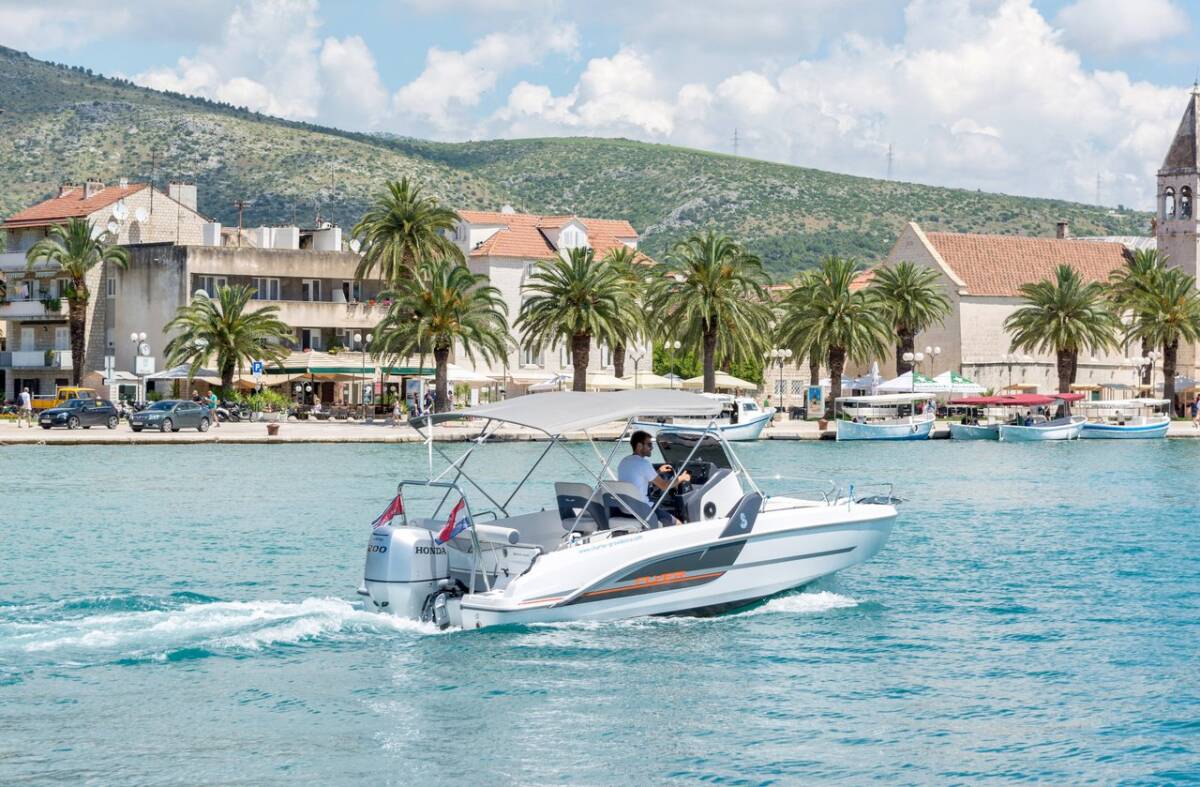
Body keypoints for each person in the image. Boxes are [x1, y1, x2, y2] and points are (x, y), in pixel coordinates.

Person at [616, 430, 691, 527]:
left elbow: (638, 481)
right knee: (678, 524)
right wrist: (682, 478)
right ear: (639, 446)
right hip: (643, 509)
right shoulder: (643, 463)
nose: (652, 448)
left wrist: (658, 472)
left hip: (625, 509)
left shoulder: (624, 462)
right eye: (649, 445)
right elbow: (664, 486)